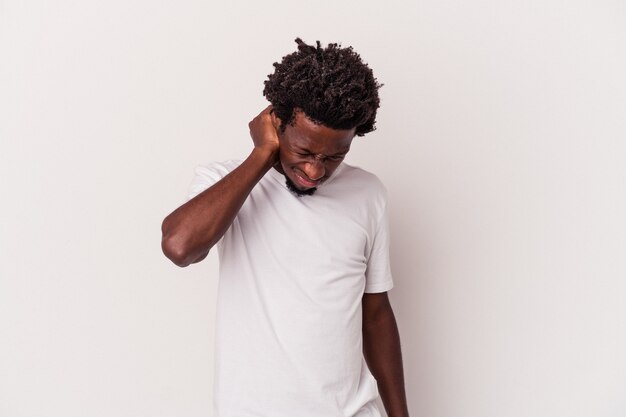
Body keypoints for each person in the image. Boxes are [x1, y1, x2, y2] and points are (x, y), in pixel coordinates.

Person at [161, 38, 409, 417]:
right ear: (276, 123)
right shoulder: (225, 183)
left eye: (333, 157)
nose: (315, 171)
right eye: (305, 152)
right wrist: (262, 155)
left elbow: (375, 314)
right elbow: (180, 246)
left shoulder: (368, 194)